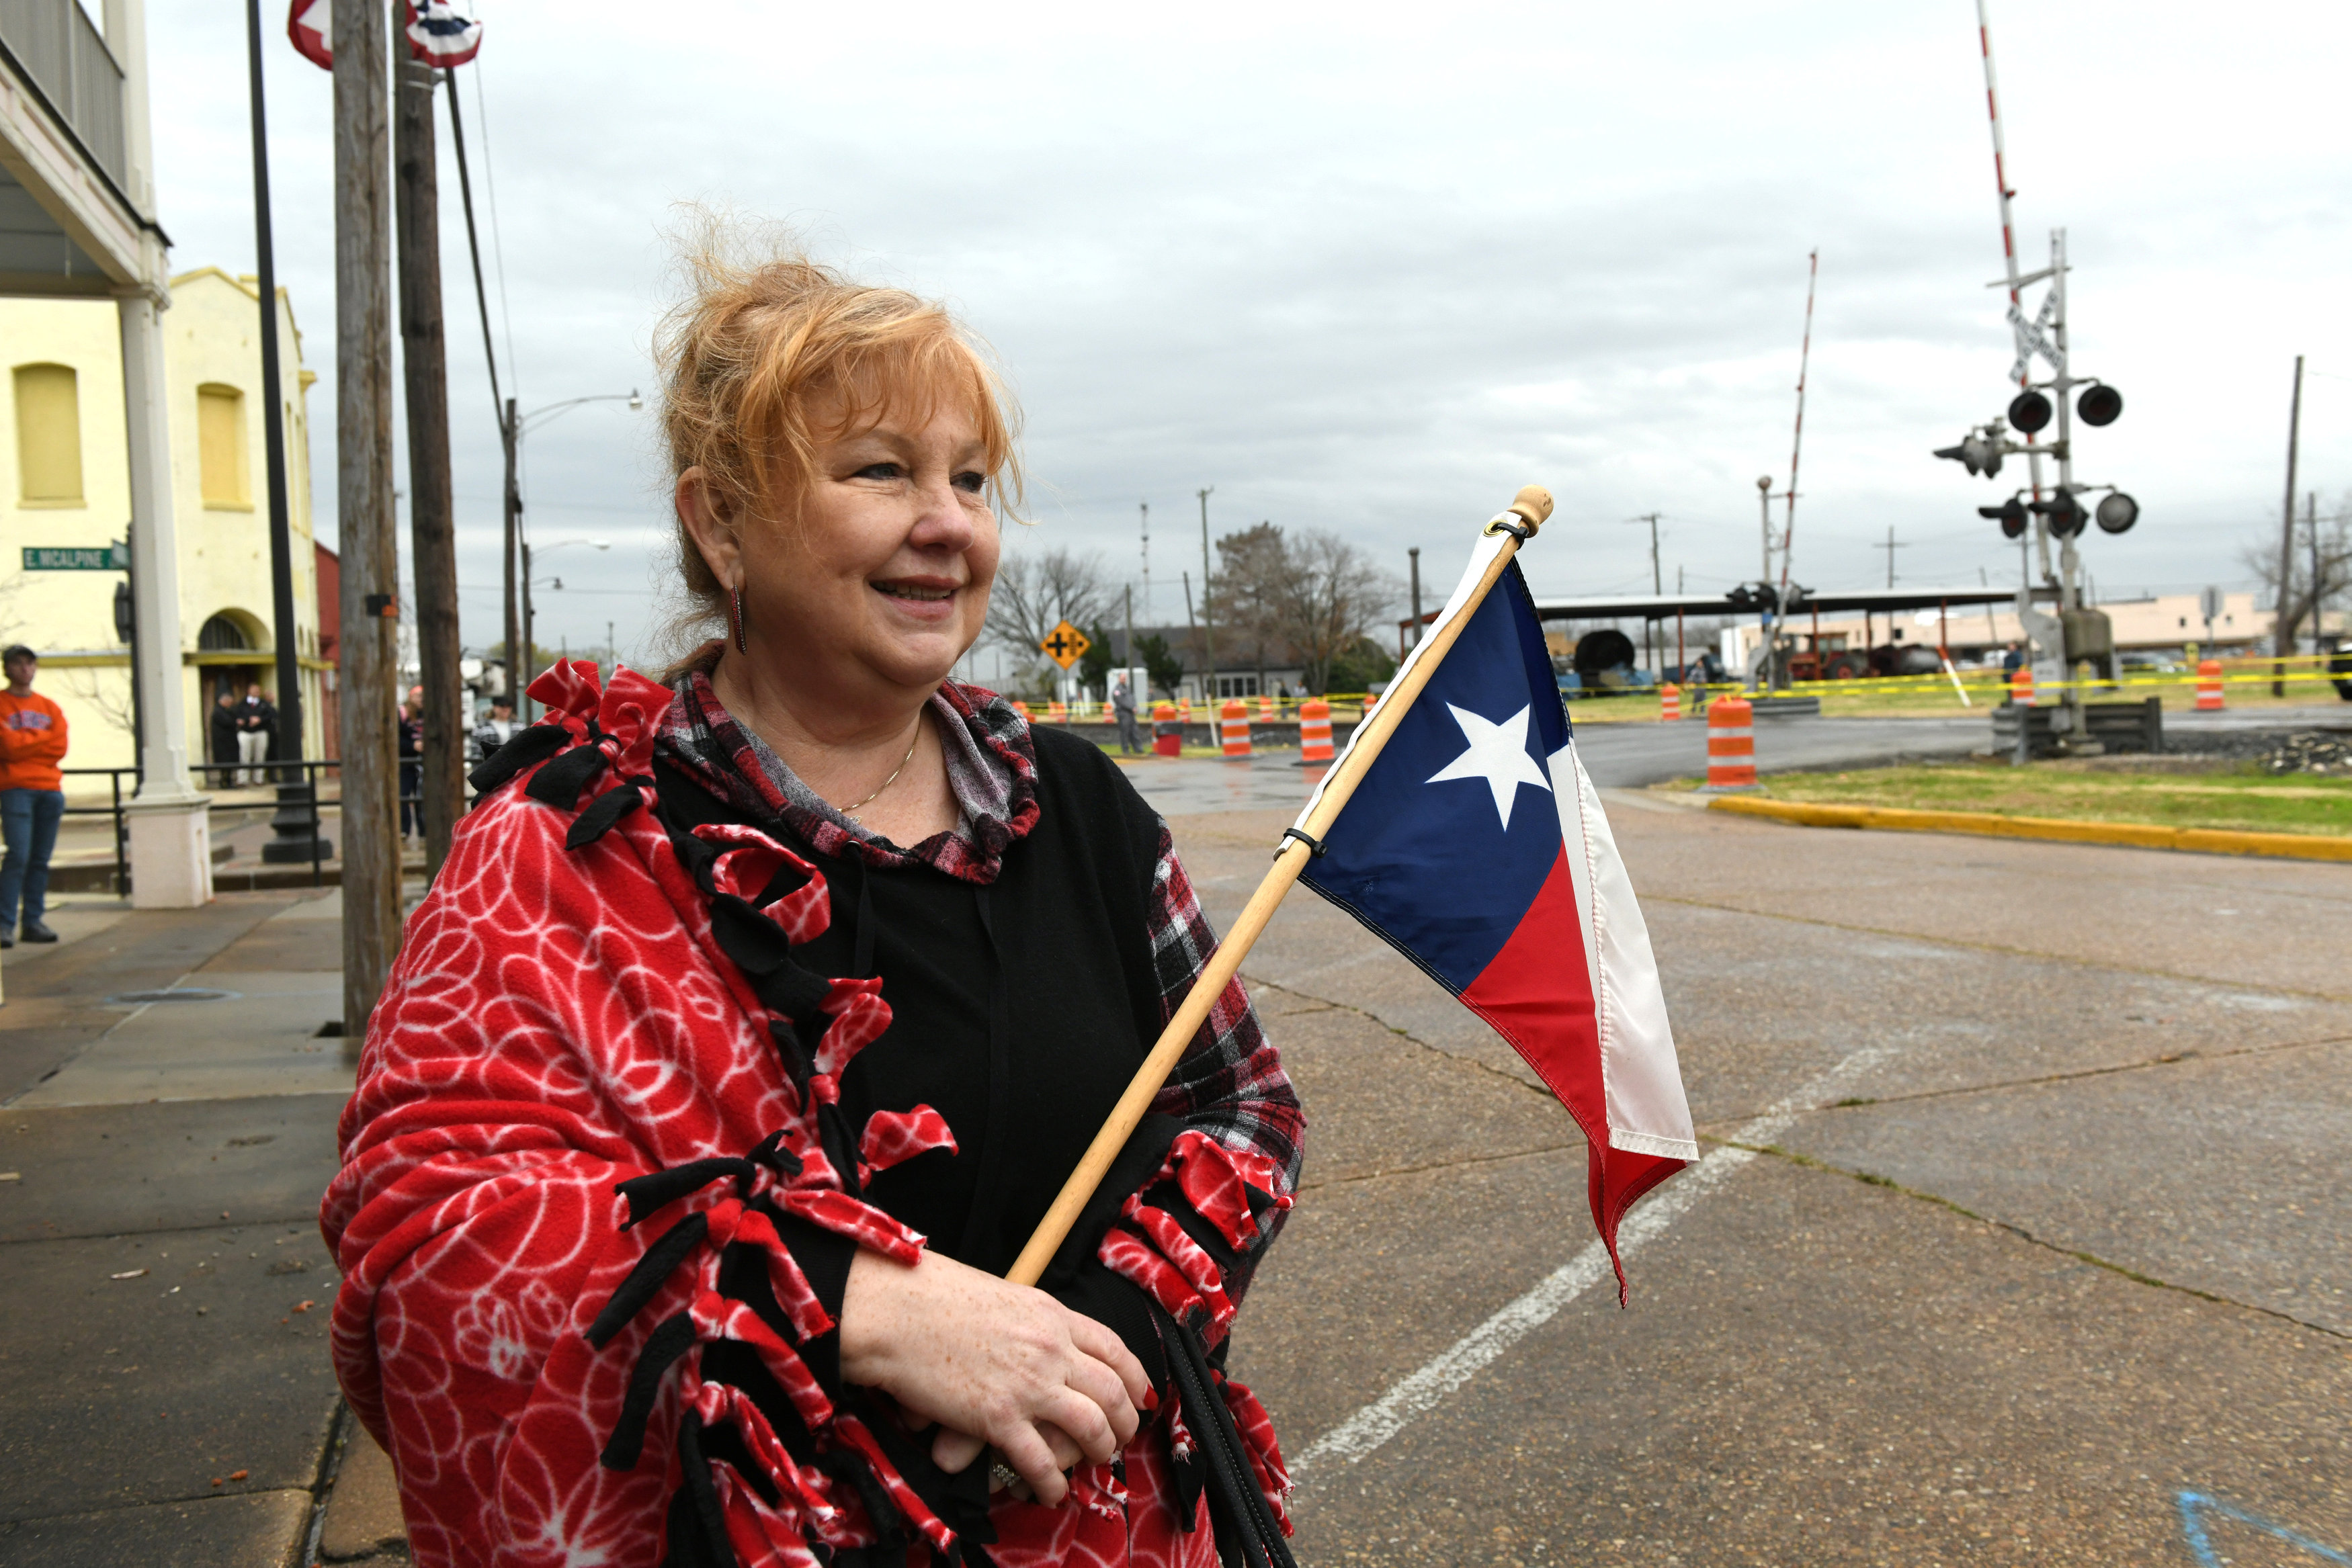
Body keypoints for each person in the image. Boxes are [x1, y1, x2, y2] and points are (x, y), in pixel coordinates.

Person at [325, 238, 1304, 1568]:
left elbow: (1240, 1110)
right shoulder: (564, 849)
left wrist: (1108, 1338)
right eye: (880, 472)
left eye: (968, 478)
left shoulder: (1074, 807)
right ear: (720, 522)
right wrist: (857, 1305)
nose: (949, 521)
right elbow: (432, 1240)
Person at [0, 646, 68, 949]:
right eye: (18, 664)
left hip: (50, 791)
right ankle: (4, 924)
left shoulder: (50, 707)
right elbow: (6, 747)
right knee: (18, 856)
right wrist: (37, 742)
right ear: (7, 669)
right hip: (15, 789)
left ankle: (33, 922)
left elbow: (60, 746)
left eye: (30, 663)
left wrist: (22, 743)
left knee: (40, 859)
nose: (26, 669)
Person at [235, 681, 277, 786]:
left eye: (258, 690)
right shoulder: (242, 703)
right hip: (246, 732)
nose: (257, 692)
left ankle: (258, 779)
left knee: (260, 756)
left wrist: (260, 719)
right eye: (254, 690)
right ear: (249, 691)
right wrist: (247, 720)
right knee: (244, 756)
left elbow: (272, 714)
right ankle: (242, 780)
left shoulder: (264, 704)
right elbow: (237, 715)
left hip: (260, 732)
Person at [396, 693, 424, 840]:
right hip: (405, 761)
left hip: (424, 762)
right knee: (404, 795)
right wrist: (412, 745)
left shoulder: (428, 712)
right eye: (419, 696)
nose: (421, 700)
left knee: (423, 796)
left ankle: (424, 830)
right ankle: (404, 830)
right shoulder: (402, 713)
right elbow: (394, 737)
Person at [468, 694, 518, 764]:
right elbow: (476, 752)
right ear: (494, 707)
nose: (505, 709)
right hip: (489, 766)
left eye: (508, 706)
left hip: (514, 766)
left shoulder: (519, 726)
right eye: (502, 706)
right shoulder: (482, 727)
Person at [208, 687, 241, 789]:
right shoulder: (218, 711)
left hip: (229, 742)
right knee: (225, 763)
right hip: (222, 743)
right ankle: (224, 782)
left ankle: (229, 781)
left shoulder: (228, 711)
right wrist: (236, 722)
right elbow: (228, 722)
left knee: (230, 764)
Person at [1111, 672, 1141, 754]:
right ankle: (1125, 750)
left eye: (1125, 678)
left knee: (1135, 731)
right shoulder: (1117, 690)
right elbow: (1120, 701)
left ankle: (1138, 749)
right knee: (1125, 733)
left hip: (1131, 713)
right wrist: (1132, 708)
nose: (1124, 680)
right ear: (1119, 679)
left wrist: (1135, 707)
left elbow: (1132, 698)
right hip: (1123, 713)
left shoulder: (1128, 688)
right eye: (1122, 678)